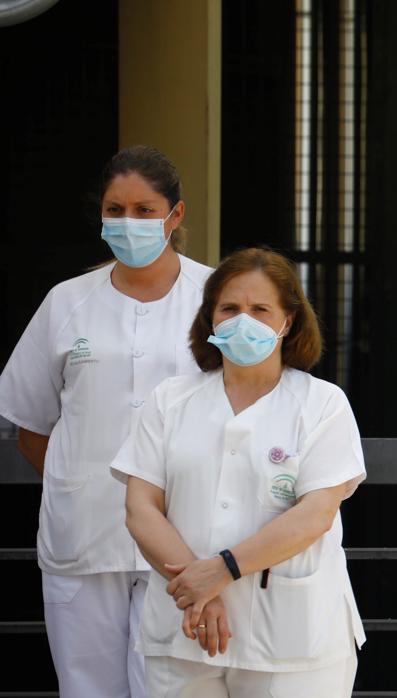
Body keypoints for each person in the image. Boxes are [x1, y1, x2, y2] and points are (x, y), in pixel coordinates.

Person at [0, 146, 212, 697]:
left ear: (176, 215)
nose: (128, 222)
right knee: (86, 687)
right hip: (84, 534)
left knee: (170, 686)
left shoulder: (216, 300)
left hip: (185, 535)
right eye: (115, 209)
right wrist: (82, 483)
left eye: (145, 210)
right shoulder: (66, 302)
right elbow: (30, 424)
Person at [110, 248, 366, 697]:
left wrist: (223, 570)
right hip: (184, 632)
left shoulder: (322, 404)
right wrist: (199, 588)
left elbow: (315, 515)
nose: (242, 320)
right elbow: (141, 508)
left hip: (291, 642)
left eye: (260, 309)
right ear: (210, 318)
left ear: (288, 321)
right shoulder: (169, 400)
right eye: (229, 308)